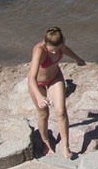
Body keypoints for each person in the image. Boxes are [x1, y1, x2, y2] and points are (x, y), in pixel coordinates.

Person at [28, 27, 86, 158]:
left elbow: (66, 50)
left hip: (55, 77)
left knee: (61, 111)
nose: (55, 51)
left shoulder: (60, 45)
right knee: (44, 114)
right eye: (51, 49)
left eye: (57, 48)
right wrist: (39, 96)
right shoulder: (39, 51)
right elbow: (31, 78)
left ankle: (66, 147)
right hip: (38, 84)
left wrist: (78, 59)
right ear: (45, 42)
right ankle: (46, 143)